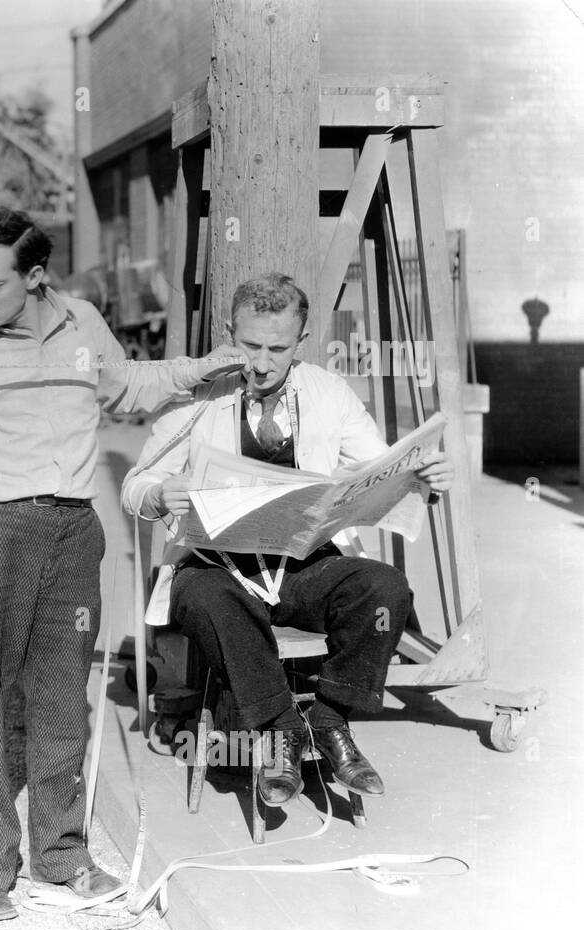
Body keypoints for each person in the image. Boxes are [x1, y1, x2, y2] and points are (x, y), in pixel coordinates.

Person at [0, 207, 249, 921]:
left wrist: (203, 372)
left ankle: (62, 853)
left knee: (61, 701)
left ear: (36, 276)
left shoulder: (82, 324)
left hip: (74, 532)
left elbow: (127, 386)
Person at [120, 273, 455, 807]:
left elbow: (379, 468)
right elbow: (133, 486)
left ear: (301, 342)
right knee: (207, 600)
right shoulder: (198, 398)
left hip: (300, 566)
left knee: (384, 589)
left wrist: (423, 480)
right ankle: (279, 730)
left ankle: (328, 720)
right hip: (214, 567)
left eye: (278, 348)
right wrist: (161, 495)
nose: (261, 362)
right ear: (231, 333)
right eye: (250, 345)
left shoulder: (327, 392)